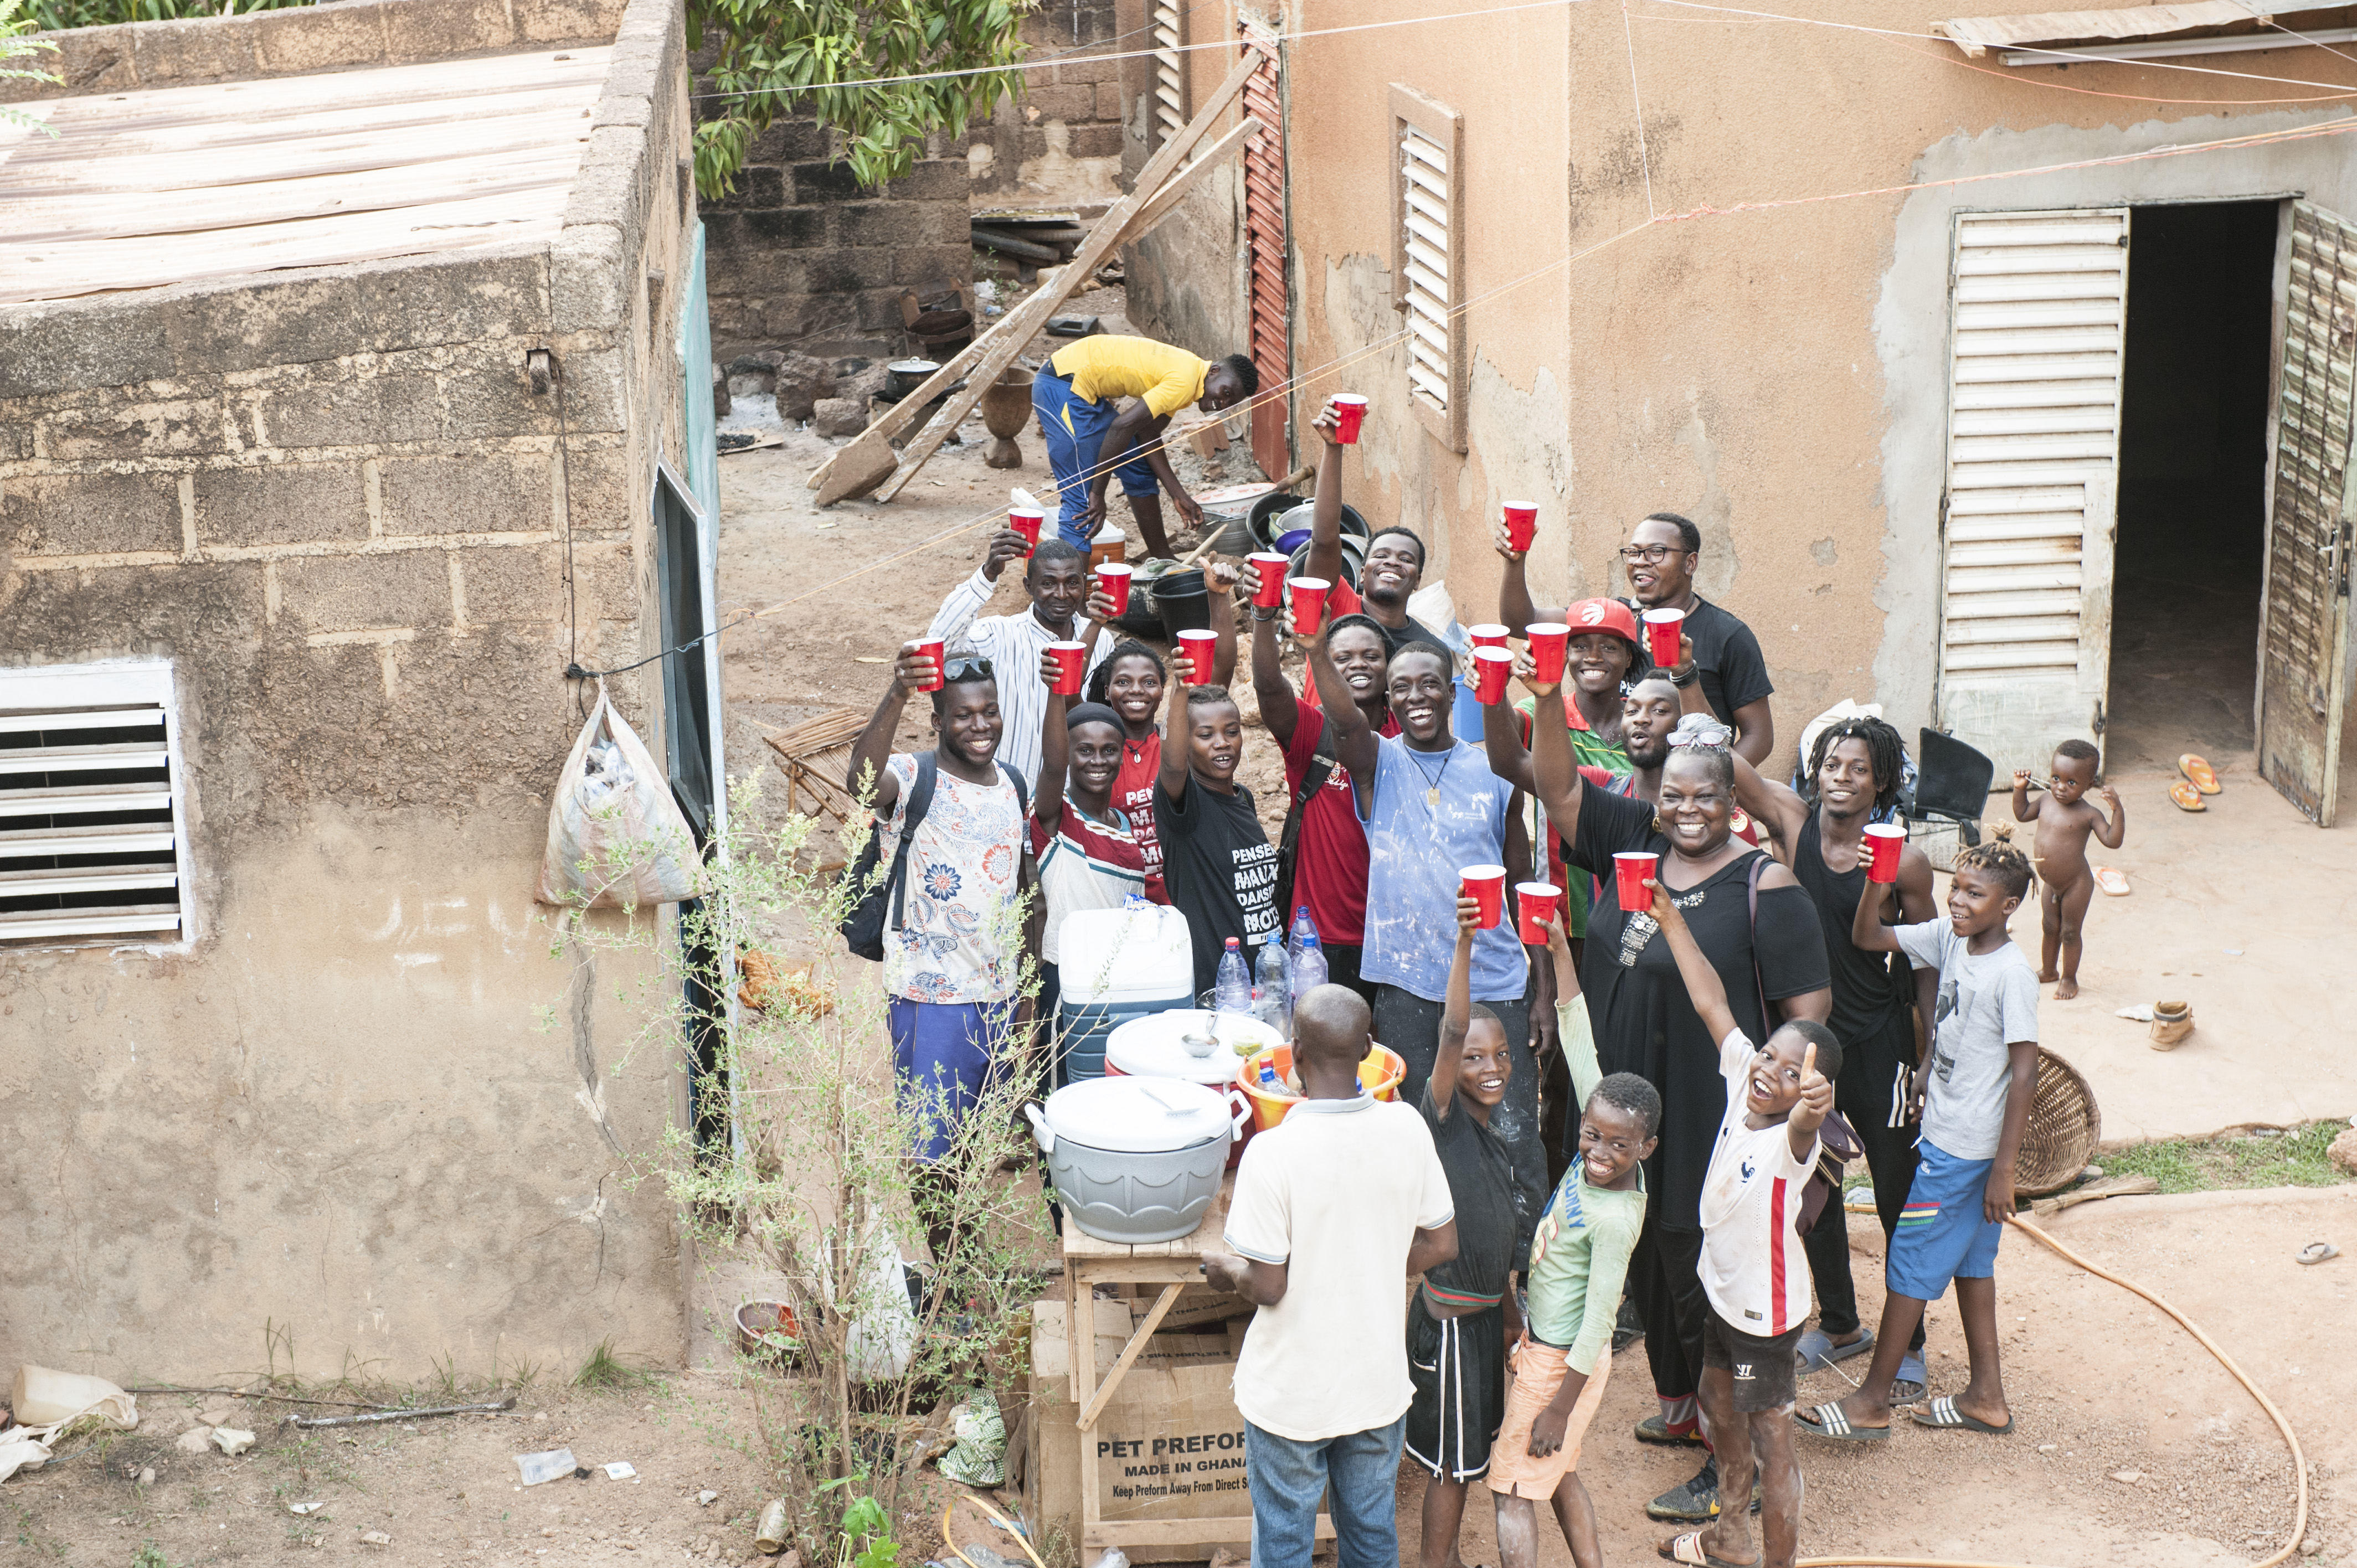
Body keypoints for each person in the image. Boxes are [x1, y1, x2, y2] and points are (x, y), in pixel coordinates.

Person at [1527, 682, 1829, 1526]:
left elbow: (1809, 1021)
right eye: (1674, 798)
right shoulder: (1636, 842)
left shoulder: (1765, 886)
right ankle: (1683, 1407)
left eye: (1706, 798)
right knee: (1653, 1265)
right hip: (1636, 1112)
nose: (1687, 811)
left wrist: (1787, 1115)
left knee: (1702, 1279)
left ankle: (1730, 1464)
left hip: (1710, 1114)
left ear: (1736, 803)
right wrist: (1546, 693)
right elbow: (1556, 786)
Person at [1305, 625, 1547, 1262]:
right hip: (1408, 988)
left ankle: (1525, 1270)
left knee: (1512, 1131)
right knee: (1416, 1129)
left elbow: (1521, 880)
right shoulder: (1376, 763)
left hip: (1495, 981)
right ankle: (1434, 1267)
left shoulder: (1494, 771)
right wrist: (1312, 651)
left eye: (1429, 684)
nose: (1416, 697)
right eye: (1401, 688)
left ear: (1451, 692)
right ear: (1387, 700)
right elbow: (1344, 723)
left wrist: (1542, 989)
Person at [1797, 829, 2040, 1446]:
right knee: (1971, 1266)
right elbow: (1867, 936)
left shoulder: (2011, 974)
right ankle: (1986, 1397)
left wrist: (2003, 1168)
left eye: (1975, 894)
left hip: (1964, 1150)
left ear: (2009, 906)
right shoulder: (1949, 938)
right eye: (1956, 888)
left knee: (1908, 1259)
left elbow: (2024, 1072)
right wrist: (1876, 878)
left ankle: (1871, 1402)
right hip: (1951, 1136)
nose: (1957, 901)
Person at [1203, 984, 1460, 1568]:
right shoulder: (1407, 1129)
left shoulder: (1272, 1153)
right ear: (1368, 1048)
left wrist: (1228, 1271)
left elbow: (1268, 1285)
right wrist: (1369, 1257)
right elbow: (1442, 1242)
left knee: (1284, 1545)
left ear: (1294, 1054)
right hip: (1374, 1389)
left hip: (1290, 1397)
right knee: (1371, 1538)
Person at [1727, 715, 1937, 1400]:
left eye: (1857, 769)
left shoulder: (1903, 861)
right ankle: (1842, 1324)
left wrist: (1927, 1050)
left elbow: (1926, 958)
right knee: (1810, 1184)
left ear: (1881, 783)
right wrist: (1690, 683)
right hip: (1809, 1045)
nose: (1841, 778)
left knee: (1895, 1190)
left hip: (1880, 1042)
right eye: (1830, 765)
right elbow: (1737, 775)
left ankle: (1910, 1345)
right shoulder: (1793, 824)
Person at [1650, 876, 1838, 1568]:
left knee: (1771, 1442)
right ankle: (1729, 1537)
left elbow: (1805, 1121)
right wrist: (1669, 917)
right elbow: (1709, 999)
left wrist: (1811, 1103)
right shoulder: (1741, 1079)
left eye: (1791, 1074)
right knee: (1714, 1399)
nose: (1769, 1073)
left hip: (1764, 1315)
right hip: (1723, 1293)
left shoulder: (1792, 1142)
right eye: (1769, 1056)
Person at [843, 643, 1029, 1262]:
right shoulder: (913, 777)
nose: (980, 725)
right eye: (963, 715)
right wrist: (897, 691)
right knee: (931, 1152)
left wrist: (1024, 996)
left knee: (977, 1144)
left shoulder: (1013, 783)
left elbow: (1020, 890)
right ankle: (955, 1276)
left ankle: (966, 1266)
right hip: (931, 998)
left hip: (998, 995)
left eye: (989, 712)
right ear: (937, 721)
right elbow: (861, 783)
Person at [1490, 909, 1660, 1568]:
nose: (1597, 1152)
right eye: (1590, 1136)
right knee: (1557, 1474)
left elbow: (1598, 1324)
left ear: (1645, 1148)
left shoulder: (1614, 1219)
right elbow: (1577, 1037)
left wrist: (1558, 1408)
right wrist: (1561, 949)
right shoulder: (1608, 1116)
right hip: (1546, 1347)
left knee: (1510, 1491)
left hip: (1560, 1364)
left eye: (1617, 1145)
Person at [1407, 898, 1524, 1567]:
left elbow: (1497, 1246)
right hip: (1450, 1329)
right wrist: (1463, 942)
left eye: (1500, 1054)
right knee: (1450, 1468)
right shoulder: (1442, 1119)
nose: (1491, 1066)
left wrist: (1509, 1318)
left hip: (1480, 1325)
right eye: (1475, 1057)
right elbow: (1452, 1030)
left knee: (1467, 1456)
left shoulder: (1493, 1140)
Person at [1496, 510, 1776, 765]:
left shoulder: (1728, 635)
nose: (1641, 561)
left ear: (1690, 563)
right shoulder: (1615, 619)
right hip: (1627, 785)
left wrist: (1714, 780)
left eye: (1656, 552)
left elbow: (1759, 737)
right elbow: (1523, 623)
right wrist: (1515, 561)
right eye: (1634, 552)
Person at [1244, 544, 1397, 997]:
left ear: (1389, 668)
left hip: (1394, 934)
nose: (1358, 665)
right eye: (1342, 657)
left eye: (1371, 656)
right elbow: (1269, 688)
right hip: (1318, 941)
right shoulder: (1313, 732)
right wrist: (1263, 616)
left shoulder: (1406, 736)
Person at [1029, 672, 1157, 1076]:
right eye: (1084, 750)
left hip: (1121, 976)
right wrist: (1057, 689)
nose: (1098, 761)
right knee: (1066, 1085)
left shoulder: (1124, 823)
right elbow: (1052, 767)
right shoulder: (1057, 816)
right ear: (1069, 754)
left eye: (1109, 751)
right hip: (1068, 977)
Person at [923, 536, 1120, 790]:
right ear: (1028, 586)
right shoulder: (999, 635)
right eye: (1048, 583)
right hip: (1011, 793)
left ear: (1084, 583)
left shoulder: (1101, 639)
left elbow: (1102, 715)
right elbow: (936, 649)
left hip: (1075, 794)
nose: (1062, 594)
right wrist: (987, 574)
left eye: (1072, 583)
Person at [1031, 333, 1255, 555]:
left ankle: (1163, 560)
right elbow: (1121, 427)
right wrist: (1098, 493)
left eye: (1230, 403)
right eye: (1226, 392)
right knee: (1084, 501)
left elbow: (1148, 434)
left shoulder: (1191, 374)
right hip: (1061, 386)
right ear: (1214, 371)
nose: (1223, 403)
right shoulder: (1185, 382)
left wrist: (1179, 495)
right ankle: (1068, 578)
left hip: (1082, 391)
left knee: (1139, 467)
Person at [1087, 575, 1241, 895]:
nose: (1136, 691)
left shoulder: (1179, 742)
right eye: (1123, 682)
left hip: (1185, 897)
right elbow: (1068, 693)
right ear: (1107, 690)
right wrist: (1095, 625)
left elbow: (1221, 668)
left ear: (1162, 691)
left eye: (1149, 682)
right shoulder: (1097, 752)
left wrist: (1219, 596)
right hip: (1120, 898)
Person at [1154, 641, 1280, 998]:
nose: (1222, 743)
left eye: (1232, 731)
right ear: (1186, 741)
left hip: (1266, 983)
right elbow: (1173, 766)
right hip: (1219, 991)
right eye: (1205, 735)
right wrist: (1180, 690)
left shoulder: (1245, 798)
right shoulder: (1184, 806)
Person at [1298, 395, 1454, 662]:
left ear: (1418, 581)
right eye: (1381, 556)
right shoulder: (1338, 609)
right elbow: (1324, 542)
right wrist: (1334, 448)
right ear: (1361, 573)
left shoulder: (1429, 651)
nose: (1392, 562)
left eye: (1406, 559)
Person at [2012, 739, 2126, 1000]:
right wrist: (2020, 789)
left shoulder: (2089, 814)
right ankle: (2049, 970)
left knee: (2070, 932)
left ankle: (2069, 978)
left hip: (2076, 884)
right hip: (2051, 884)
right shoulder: (2045, 800)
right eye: (2056, 778)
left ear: (2089, 784)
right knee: (2049, 926)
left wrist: (2117, 810)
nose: (2061, 787)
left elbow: (2113, 840)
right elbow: (2022, 813)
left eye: (2071, 782)